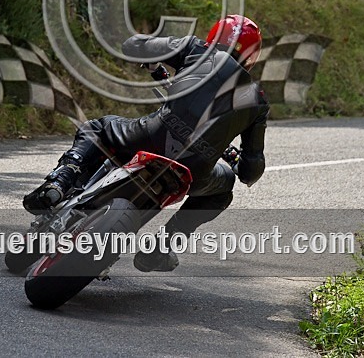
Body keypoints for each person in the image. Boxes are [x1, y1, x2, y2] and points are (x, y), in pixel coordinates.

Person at [23, 15, 269, 272]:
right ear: (252, 56)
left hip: (152, 138)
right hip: (195, 170)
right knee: (224, 186)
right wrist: (237, 160)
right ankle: (165, 245)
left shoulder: (194, 48)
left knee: (97, 128)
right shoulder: (257, 100)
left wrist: (153, 56)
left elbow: (133, 45)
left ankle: (60, 181)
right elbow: (251, 171)